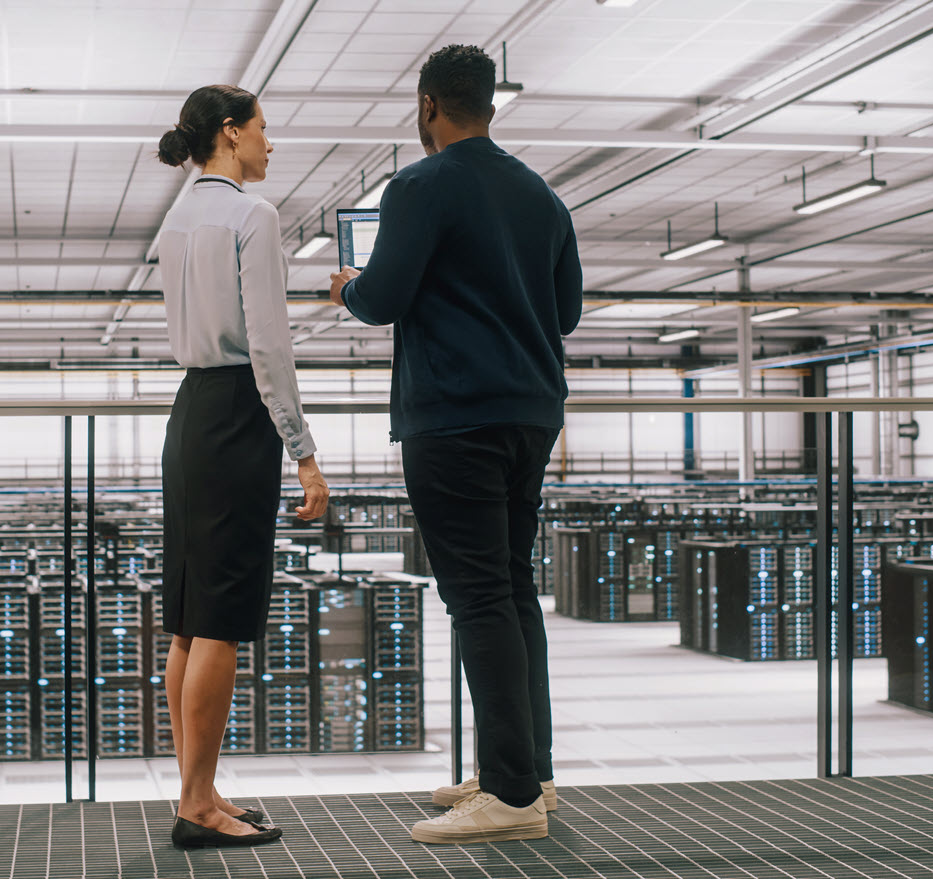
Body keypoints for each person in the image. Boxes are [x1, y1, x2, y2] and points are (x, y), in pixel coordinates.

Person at [329, 45, 583, 845]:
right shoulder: (542, 196)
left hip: (452, 418)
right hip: (531, 416)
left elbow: (384, 297)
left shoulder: (419, 185)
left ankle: (507, 794)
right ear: (490, 106)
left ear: (429, 107)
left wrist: (346, 288)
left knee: (477, 597)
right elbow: (566, 311)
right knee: (510, 590)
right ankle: (526, 772)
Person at [157, 84, 329, 849]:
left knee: (191, 619)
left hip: (191, 414)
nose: (270, 144)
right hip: (236, 417)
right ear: (230, 133)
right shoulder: (251, 215)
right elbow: (269, 344)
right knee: (221, 619)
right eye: (263, 130)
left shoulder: (178, 215)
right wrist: (304, 452)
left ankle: (201, 787)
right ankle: (197, 807)